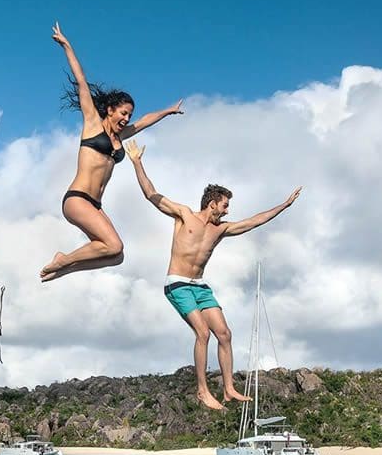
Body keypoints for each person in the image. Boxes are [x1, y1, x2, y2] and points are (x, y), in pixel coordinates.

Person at [125, 141, 302, 410]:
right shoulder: (184, 215)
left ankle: (229, 389)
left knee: (225, 333)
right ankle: (202, 391)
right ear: (212, 204)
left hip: (200, 286)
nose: (228, 210)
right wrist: (137, 161)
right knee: (203, 333)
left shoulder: (221, 230)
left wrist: (284, 206)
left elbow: (254, 221)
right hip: (177, 285)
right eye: (225, 205)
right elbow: (151, 194)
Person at [40, 22, 183, 282]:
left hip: (95, 204)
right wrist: (67, 46)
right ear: (110, 110)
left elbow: (145, 121)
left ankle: (66, 267)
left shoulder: (120, 136)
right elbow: (82, 83)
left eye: (129, 115)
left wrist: (167, 112)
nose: (127, 119)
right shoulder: (93, 124)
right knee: (113, 245)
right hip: (78, 199)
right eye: (123, 113)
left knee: (117, 255)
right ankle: (64, 259)